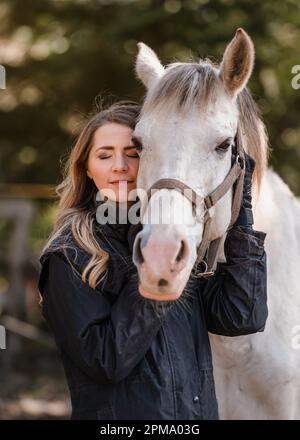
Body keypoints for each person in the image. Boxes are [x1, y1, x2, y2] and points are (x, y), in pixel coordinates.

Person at [38, 100, 268, 420]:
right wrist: (156, 273)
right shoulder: (70, 255)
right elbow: (106, 362)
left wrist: (242, 216)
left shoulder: (181, 241)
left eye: (133, 154)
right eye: (104, 155)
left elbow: (241, 317)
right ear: (87, 169)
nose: (119, 165)